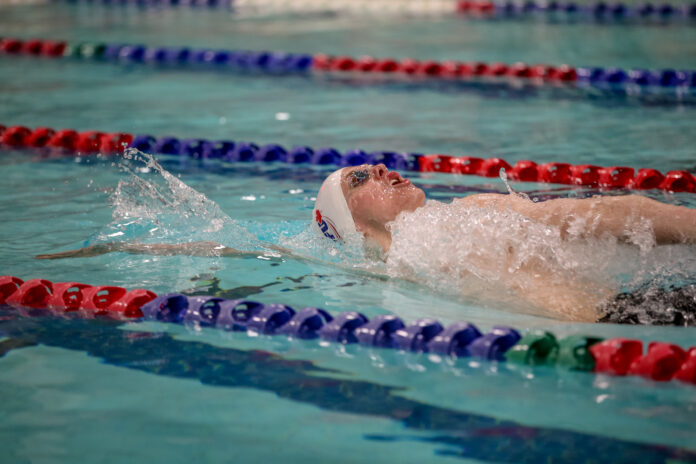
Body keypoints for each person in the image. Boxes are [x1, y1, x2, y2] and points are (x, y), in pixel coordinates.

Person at [37, 164, 696, 323]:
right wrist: (80, 263)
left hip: (637, 313)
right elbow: (228, 251)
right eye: (361, 178)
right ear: (346, 220)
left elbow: (615, 213)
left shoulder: (470, 209)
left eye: (378, 166)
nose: (384, 169)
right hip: (625, 322)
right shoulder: (386, 256)